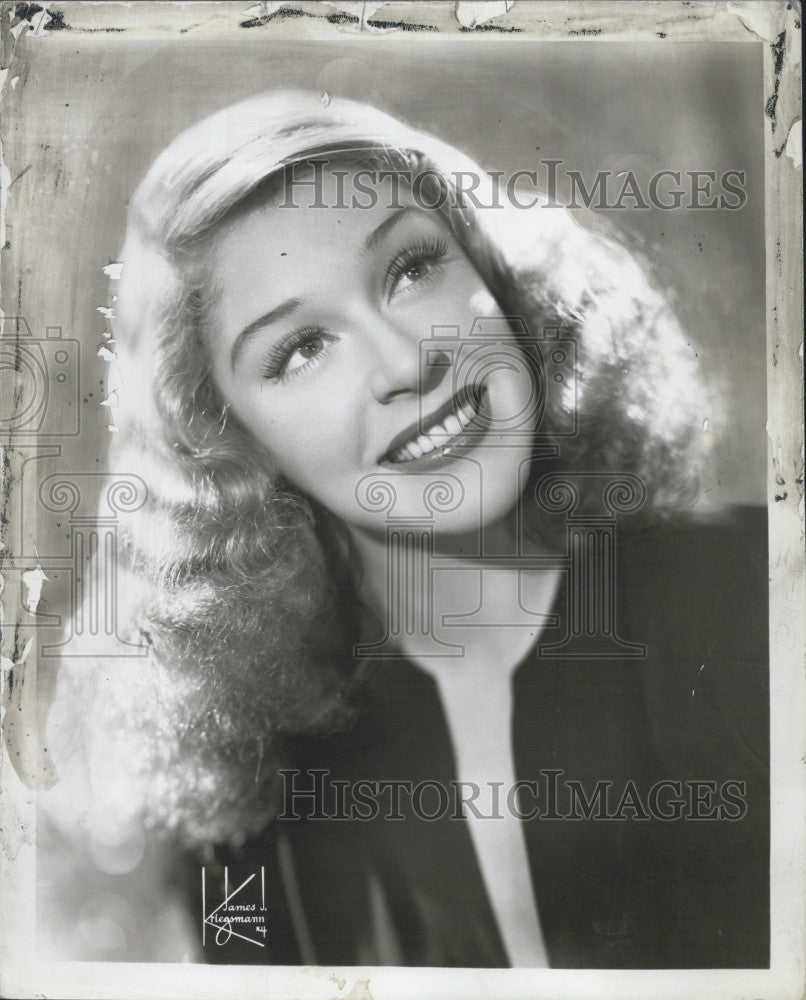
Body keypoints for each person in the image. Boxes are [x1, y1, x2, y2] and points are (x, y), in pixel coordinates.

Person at [42, 91, 768, 968]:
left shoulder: (762, 604)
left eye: (411, 268)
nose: (403, 362)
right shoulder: (253, 820)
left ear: (493, 270)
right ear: (234, 447)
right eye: (301, 348)